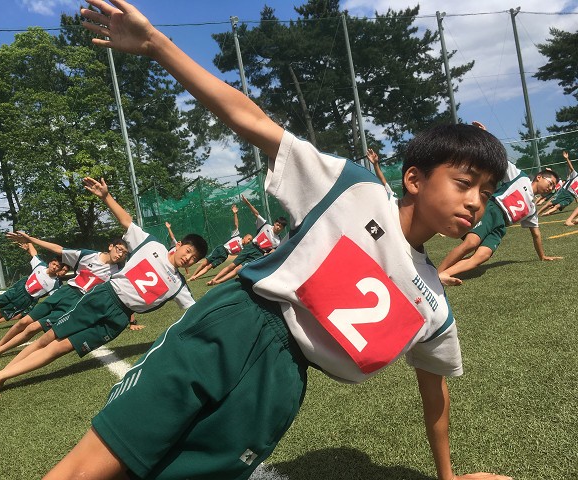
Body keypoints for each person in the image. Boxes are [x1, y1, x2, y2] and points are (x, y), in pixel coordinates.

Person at [44, 3, 514, 480]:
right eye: (464, 182)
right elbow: (253, 122)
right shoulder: (354, 188)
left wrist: (448, 477)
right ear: (414, 178)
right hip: (232, 325)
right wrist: (155, 45)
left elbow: (434, 393)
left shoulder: (432, 302)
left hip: (282, 381)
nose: (476, 201)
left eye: (487, 192)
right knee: (90, 470)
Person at [0, 176, 207, 402]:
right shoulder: (152, 244)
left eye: (194, 258)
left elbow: (197, 313)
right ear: (178, 245)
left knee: (61, 348)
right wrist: (106, 197)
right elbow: (127, 221)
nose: (188, 258)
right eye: (187, 251)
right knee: (48, 337)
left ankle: (0, 375)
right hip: (104, 297)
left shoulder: (179, 285)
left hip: (119, 319)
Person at [438, 122, 563, 286]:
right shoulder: (520, 177)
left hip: (500, 226)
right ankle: (434, 275)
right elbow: (499, 159)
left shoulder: (532, 207)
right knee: (471, 243)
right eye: (550, 182)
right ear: (539, 177)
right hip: (492, 210)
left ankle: (443, 275)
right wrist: (485, 136)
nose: (551, 187)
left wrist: (542, 256)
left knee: (480, 258)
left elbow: (536, 234)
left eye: (553, 186)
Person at [0, 233, 128, 363]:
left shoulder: (118, 272)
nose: (120, 254)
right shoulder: (89, 255)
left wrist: (131, 320)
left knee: (33, 328)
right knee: (24, 321)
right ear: (111, 246)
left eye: (124, 253)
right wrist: (31, 239)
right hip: (64, 292)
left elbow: (123, 293)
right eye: (119, 249)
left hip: (77, 302)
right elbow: (58, 249)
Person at [0, 241, 67, 337]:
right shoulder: (40, 265)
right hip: (18, 289)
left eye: (58, 267)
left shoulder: (55, 284)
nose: (54, 267)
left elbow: (56, 299)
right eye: (54, 264)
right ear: (50, 263)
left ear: (59, 269)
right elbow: (34, 253)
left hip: (25, 299)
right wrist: (28, 239)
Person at [206, 194, 286, 285]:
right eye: (277, 224)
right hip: (250, 247)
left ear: (283, 229)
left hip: (258, 255)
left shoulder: (278, 241)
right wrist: (247, 203)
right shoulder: (265, 225)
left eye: (281, 226)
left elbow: (273, 251)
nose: (278, 227)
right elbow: (256, 213)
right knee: (232, 265)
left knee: (238, 269)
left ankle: (217, 282)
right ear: (275, 223)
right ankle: (214, 279)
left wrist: (268, 253)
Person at [188, 204, 252, 281]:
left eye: (250, 240)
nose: (249, 241)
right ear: (245, 237)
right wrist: (235, 213)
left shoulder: (243, 249)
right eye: (249, 239)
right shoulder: (237, 236)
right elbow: (236, 225)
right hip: (221, 249)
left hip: (224, 256)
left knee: (209, 267)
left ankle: (195, 277)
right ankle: (193, 275)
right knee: (205, 263)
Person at [538, 151, 577, 216]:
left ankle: (547, 213)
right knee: (549, 204)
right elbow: (571, 168)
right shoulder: (576, 175)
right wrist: (567, 158)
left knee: (558, 206)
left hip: (571, 197)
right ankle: (537, 213)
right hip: (564, 192)